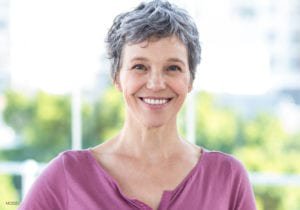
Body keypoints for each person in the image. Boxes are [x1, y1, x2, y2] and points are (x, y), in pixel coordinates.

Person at [19, 0, 257, 209]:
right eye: (139, 67)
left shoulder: (228, 178)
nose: (155, 83)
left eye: (173, 67)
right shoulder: (67, 176)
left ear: (190, 79)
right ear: (116, 78)